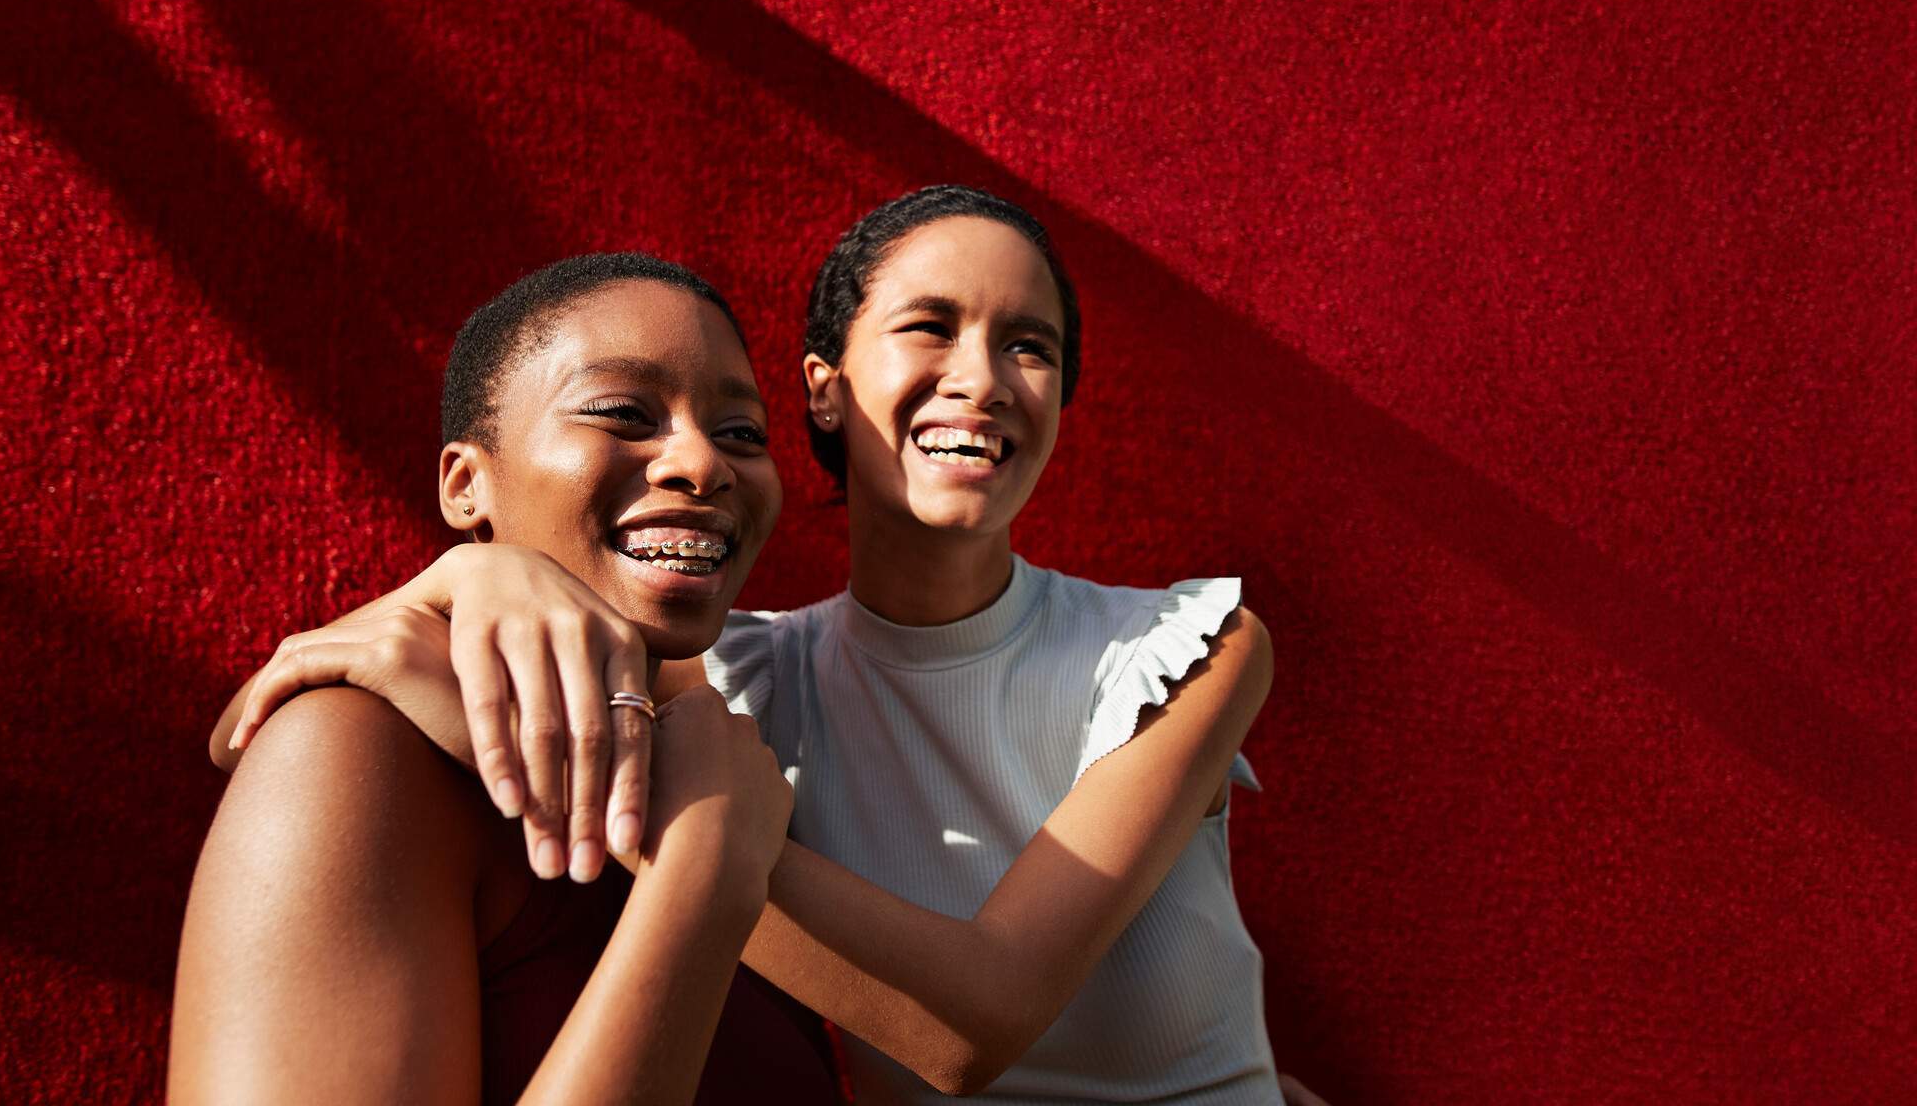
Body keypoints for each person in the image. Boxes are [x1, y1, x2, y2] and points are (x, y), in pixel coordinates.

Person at [222, 186, 1325, 1104]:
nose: (982, 377)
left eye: (1029, 346)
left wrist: (693, 828)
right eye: (932, 325)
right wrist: (470, 571)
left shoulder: (1187, 646)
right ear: (826, 390)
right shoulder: (739, 679)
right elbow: (585, 623)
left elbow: (971, 1028)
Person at [173, 254, 840, 1104]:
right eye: (623, 413)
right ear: (465, 484)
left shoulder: (744, 758)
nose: (703, 463)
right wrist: (699, 877)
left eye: (743, 433)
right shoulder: (353, 756)